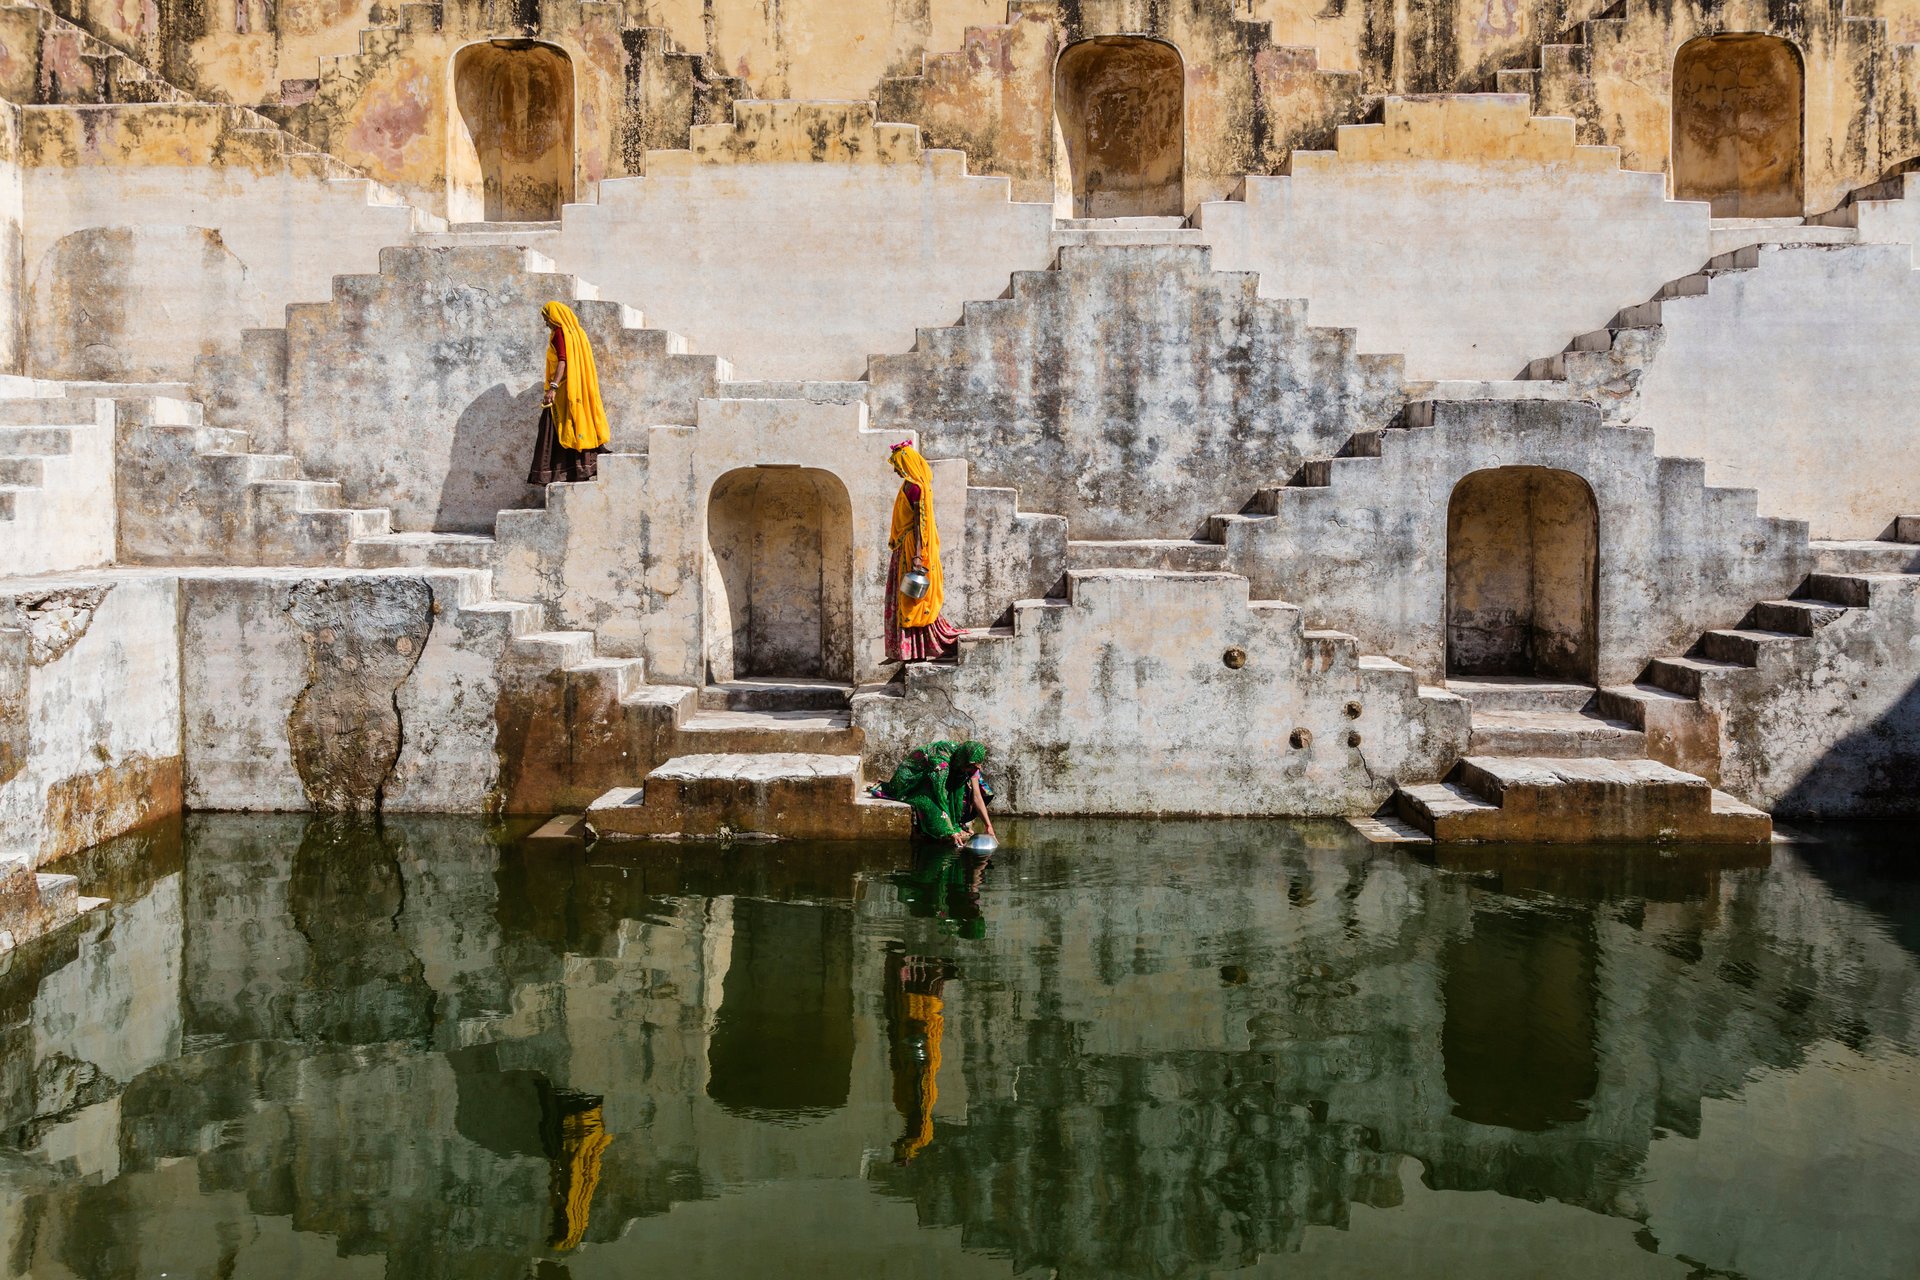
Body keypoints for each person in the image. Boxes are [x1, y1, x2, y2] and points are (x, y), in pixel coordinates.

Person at [886, 441, 962, 662]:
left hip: (911, 548)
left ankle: (916, 650)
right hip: (905, 545)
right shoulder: (911, 486)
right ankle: (910, 650)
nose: (895, 470)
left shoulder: (915, 487)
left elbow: (921, 523)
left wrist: (917, 555)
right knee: (907, 597)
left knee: (910, 598)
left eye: (897, 465)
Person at [528, 301, 610, 485]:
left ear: (554, 317)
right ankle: (583, 468)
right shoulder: (578, 334)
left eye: (546, 318)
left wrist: (553, 387)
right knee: (577, 424)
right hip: (578, 390)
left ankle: (557, 473)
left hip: (564, 391)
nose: (546, 323)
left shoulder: (559, 333)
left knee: (555, 427)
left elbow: (563, 362)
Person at [872, 739, 996, 847]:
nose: (975, 770)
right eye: (972, 766)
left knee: (967, 791)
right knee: (927, 802)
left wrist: (988, 826)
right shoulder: (941, 761)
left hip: (938, 777)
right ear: (965, 761)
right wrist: (949, 830)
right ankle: (945, 829)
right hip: (913, 777)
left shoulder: (968, 763)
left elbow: (977, 797)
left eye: (977, 767)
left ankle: (956, 823)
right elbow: (939, 795)